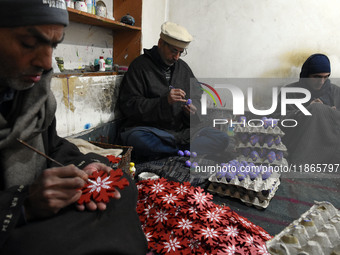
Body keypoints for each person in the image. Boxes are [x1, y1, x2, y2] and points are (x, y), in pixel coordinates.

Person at [0, 1, 147, 254]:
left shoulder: (35, 97)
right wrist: (25, 205)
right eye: (28, 43)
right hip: (15, 217)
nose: (47, 63)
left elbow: (53, 145)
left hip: (46, 203)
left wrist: (84, 165)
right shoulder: (144, 68)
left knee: (120, 183)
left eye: (53, 45)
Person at [119, 21, 229, 162]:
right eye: (173, 51)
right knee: (134, 139)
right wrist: (164, 102)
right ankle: (181, 150)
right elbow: (129, 105)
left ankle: (172, 150)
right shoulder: (140, 66)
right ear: (160, 43)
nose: (177, 57)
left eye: (181, 52)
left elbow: (197, 95)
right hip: (153, 131)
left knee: (222, 139)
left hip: (181, 132)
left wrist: (193, 109)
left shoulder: (183, 68)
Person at [274, 53, 340, 164]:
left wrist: (329, 113)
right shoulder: (289, 92)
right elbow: (277, 121)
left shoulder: (336, 92)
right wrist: (305, 111)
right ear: (306, 74)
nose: (321, 81)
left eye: (326, 77)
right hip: (299, 143)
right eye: (317, 77)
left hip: (331, 146)